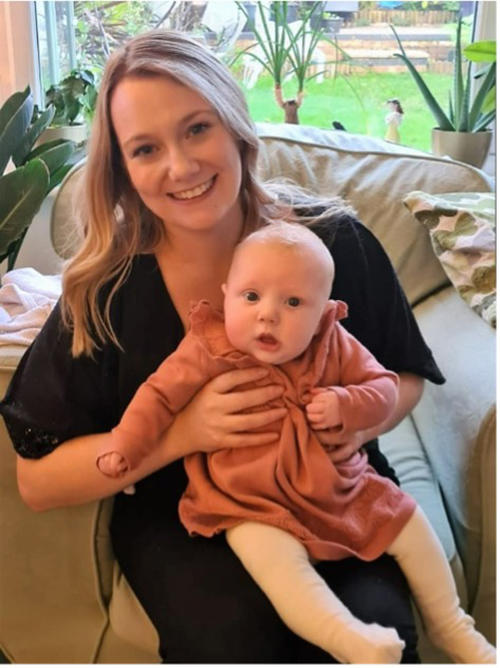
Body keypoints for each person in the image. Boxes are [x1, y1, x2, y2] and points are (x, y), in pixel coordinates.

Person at [0, 30, 449, 662]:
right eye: (146, 148)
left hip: (336, 490)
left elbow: (405, 375)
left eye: (196, 129)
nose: (180, 167)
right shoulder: (106, 292)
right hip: (188, 512)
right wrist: (184, 433)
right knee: (233, 638)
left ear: (236, 127)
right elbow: (38, 481)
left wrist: (358, 419)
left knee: (376, 635)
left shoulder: (332, 245)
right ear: (123, 169)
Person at [96, 222, 495, 664]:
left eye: (292, 302)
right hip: (248, 500)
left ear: (323, 311)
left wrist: (347, 405)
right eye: (251, 297)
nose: (268, 315)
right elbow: (157, 396)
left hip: (337, 486)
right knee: (278, 568)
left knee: (408, 523)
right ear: (226, 294)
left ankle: (453, 626)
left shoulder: (332, 342)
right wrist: (126, 446)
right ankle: (349, 639)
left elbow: (382, 387)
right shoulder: (209, 345)